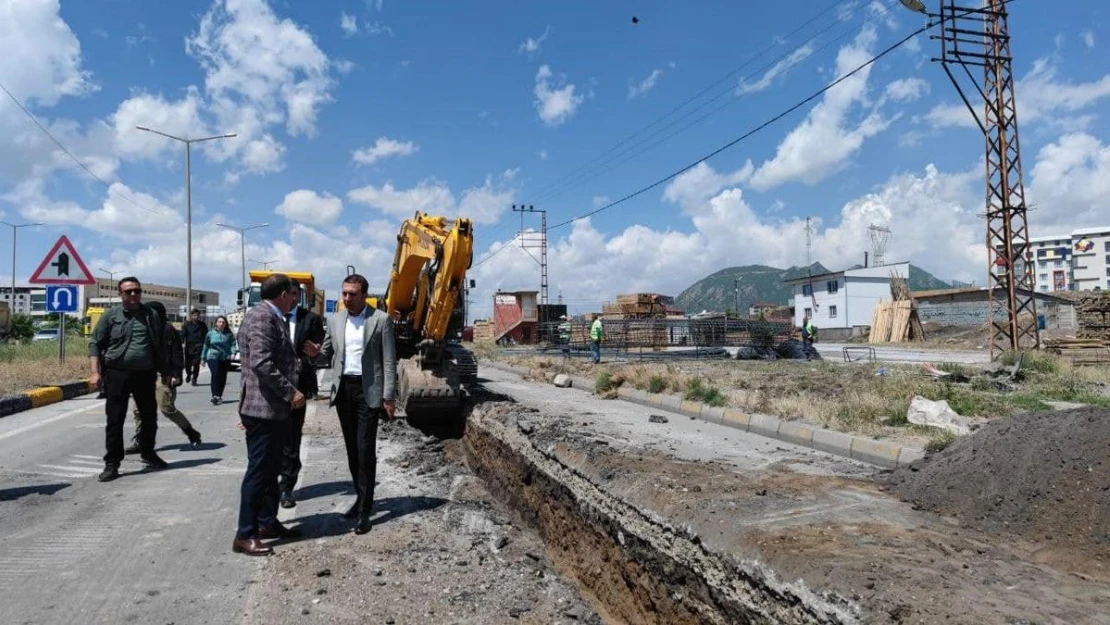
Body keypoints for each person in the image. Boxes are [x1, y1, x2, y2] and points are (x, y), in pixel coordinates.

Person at [318, 273, 397, 535]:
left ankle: (365, 510)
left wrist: (389, 397)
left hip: (368, 392)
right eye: (344, 293)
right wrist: (313, 355)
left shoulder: (381, 320)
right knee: (352, 449)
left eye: (352, 294)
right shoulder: (335, 319)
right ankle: (360, 498)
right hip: (343, 391)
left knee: (365, 450)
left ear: (364, 295)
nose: (347, 298)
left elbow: (388, 361)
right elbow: (327, 354)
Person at [233, 273, 305, 557]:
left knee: (270, 469)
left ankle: (267, 523)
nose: (295, 300)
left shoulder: (271, 316)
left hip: (272, 409)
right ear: (284, 294)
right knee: (259, 472)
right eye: (293, 295)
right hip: (263, 408)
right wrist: (291, 392)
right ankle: (245, 534)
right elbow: (262, 363)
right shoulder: (263, 317)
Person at [88, 277, 172, 482]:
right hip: (117, 373)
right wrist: (95, 372)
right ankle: (112, 463)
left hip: (145, 374)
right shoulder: (111, 316)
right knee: (115, 419)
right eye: (128, 292)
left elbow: (159, 345)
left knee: (149, 416)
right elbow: (95, 343)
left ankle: (148, 452)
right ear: (120, 295)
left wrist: (166, 371)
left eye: (137, 291)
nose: (133, 295)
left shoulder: (150, 315)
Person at [125, 301, 202, 453]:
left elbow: (177, 354)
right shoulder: (141, 328)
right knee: (138, 410)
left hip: (163, 375)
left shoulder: (168, 330)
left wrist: (177, 375)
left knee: (167, 408)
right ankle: (140, 440)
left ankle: (191, 432)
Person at [278, 282, 326, 509]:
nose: (292, 298)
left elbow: (321, 355)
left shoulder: (311, 320)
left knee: (291, 437)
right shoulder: (270, 317)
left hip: (298, 387)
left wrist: (316, 354)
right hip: (271, 387)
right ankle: (271, 481)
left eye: (296, 294)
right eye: (289, 294)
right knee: (272, 438)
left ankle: (287, 485)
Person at [202, 316, 237, 405]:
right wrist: (203, 358)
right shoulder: (210, 333)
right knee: (215, 374)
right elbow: (206, 346)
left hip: (225, 357)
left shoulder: (229, 334)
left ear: (225, 324)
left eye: (223, 322)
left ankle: (219, 395)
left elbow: (233, 345)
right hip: (213, 356)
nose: (221, 324)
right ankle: (214, 395)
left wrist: (233, 353)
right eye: (219, 322)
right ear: (216, 323)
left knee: (222, 376)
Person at [182, 309, 208, 386]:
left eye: (197, 315)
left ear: (199, 316)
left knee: (196, 364)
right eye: (194, 315)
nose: (196, 317)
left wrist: (206, 344)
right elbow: (183, 334)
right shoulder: (187, 324)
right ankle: (189, 374)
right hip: (189, 347)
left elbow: (206, 336)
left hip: (199, 346)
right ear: (191, 316)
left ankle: (194, 379)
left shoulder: (203, 325)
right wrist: (182, 343)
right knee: (187, 364)